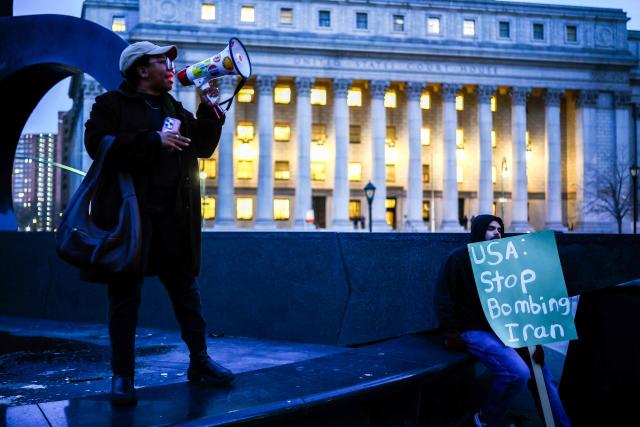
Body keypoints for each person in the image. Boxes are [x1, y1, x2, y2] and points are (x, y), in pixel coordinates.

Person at [84, 41, 234, 406]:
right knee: (125, 294)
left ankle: (199, 361)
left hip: (173, 216)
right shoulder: (111, 106)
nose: (171, 66)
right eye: (162, 60)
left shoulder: (172, 106)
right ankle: (123, 376)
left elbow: (201, 147)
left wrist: (209, 107)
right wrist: (153, 139)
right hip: (130, 216)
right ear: (140, 69)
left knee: (185, 289)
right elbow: (96, 143)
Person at [436, 214, 571, 427]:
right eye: (491, 228)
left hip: (506, 330)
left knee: (543, 376)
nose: (497, 233)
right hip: (473, 330)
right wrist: (451, 333)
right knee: (517, 373)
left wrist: (534, 339)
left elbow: (521, 304)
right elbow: (444, 298)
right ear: (479, 231)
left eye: (500, 229)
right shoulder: (459, 258)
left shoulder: (507, 265)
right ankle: (485, 420)